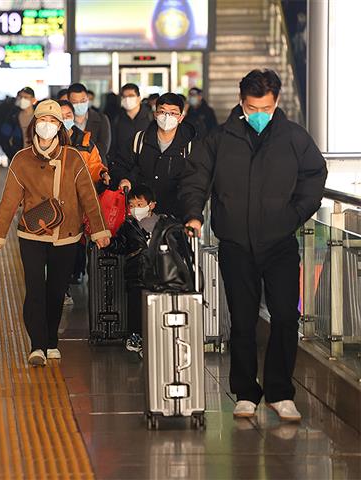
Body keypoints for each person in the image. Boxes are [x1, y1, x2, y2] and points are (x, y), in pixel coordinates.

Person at [180, 69, 328, 421]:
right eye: (251, 107)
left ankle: (280, 392)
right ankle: (246, 392)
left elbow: (314, 175)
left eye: (265, 107)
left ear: (276, 103)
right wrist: (194, 214)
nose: (258, 114)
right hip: (236, 244)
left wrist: (293, 215)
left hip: (279, 243)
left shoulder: (293, 138)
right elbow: (196, 176)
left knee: (286, 316)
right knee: (243, 320)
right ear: (240, 102)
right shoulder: (220, 138)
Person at [0, 99, 111, 366]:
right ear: (34, 125)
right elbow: (8, 201)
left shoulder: (73, 157)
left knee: (55, 290)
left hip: (66, 234)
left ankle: (51, 340)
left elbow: (88, 196)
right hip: (31, 234)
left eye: (53, 122)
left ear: (60, 127)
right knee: (34, 290)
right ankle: (37, 346)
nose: (47, 126)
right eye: (42, 121)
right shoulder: (21, 159)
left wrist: (99, 230)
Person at [111, 92, 195, 219]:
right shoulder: (139, 140)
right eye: (162, 111)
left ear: (180, 117)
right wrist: (123, 179)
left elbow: (196, 178)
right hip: (142, 213)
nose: (167, 116)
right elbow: (119, 165)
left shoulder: (190, 146)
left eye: (173, 113)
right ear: (155, 114)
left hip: (175, 215)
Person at [59, 99, 111, 294]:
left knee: (80, 243)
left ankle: (79, 275)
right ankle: (62, 286)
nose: (65, 120)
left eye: (68, 116)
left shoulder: (86, 141)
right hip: (57, 204)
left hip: (81, 202)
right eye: (61, 116)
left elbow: (95, 165)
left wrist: (103, 174)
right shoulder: (49, 143)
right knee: (61, 248)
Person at [113, 184, 160, 357]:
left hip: (158, 275)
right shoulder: (128, 226)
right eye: (131, 205)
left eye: (140, 205)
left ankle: (153, 340)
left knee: (155, 309)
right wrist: (107, 243)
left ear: (151, 205)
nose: (135, 209)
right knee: (136, 308)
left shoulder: (162, 224)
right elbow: (120, 245)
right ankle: (136, 337)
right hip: (135, 275)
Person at [110, 83, 153, 166]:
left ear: (139, 98)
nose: (127, 99)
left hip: (146, 166)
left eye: (131, 96)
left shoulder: (150, 117)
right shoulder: (116, 119)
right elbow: (113, 146)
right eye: (124, 96)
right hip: (122, 166)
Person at [68, 83, 112, 162]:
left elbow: (103, 148)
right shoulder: (65, 121)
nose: (79, 104)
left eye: (82, 101)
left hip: (95, 166)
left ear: (88, 99)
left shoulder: (101, 119)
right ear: (68, 102)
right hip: (71, 167)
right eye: (75, 102)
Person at [0, 87, 36, 160]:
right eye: (21, 97)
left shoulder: (39, 116)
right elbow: (3, 137)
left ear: (33, 100)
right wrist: (12, 155)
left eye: (26, 97)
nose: (22, 100)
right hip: (19, 158)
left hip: (36, 158)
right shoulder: (13, 116)